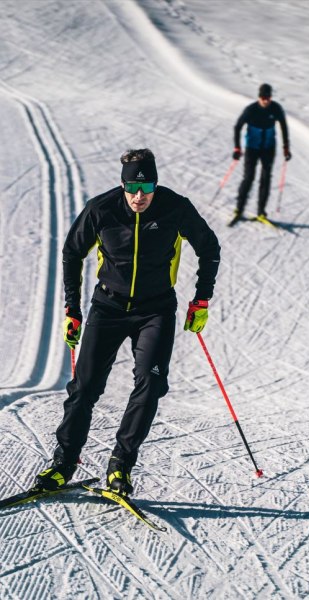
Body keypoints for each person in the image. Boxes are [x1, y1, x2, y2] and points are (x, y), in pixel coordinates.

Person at [35, 148, 220, 496]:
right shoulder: (101, 209)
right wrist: (71, 309)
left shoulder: (174, 207)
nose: (139, 196)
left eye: (147, 187)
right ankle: (63, 463)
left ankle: (120, 465)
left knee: (150, 385)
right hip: (108, 306)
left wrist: (201, 299)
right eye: (132, 188)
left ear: (155, 184)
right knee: (84, 388)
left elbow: (209, 248)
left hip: (156, 309)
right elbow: (72, 252)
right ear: (122, 185)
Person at [231, 83, 291, 223]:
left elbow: (283, 127)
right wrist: (237, 147)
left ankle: (261, 212)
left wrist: (286, 147)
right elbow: (237, 127)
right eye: (263, 97)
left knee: (266, 179)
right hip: (252, 148)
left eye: (268, 97)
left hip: (268, 148)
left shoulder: (276, 108)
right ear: (259, 97)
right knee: (249, 177)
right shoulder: (251, 110)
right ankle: (239, 209)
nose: (266, 100)